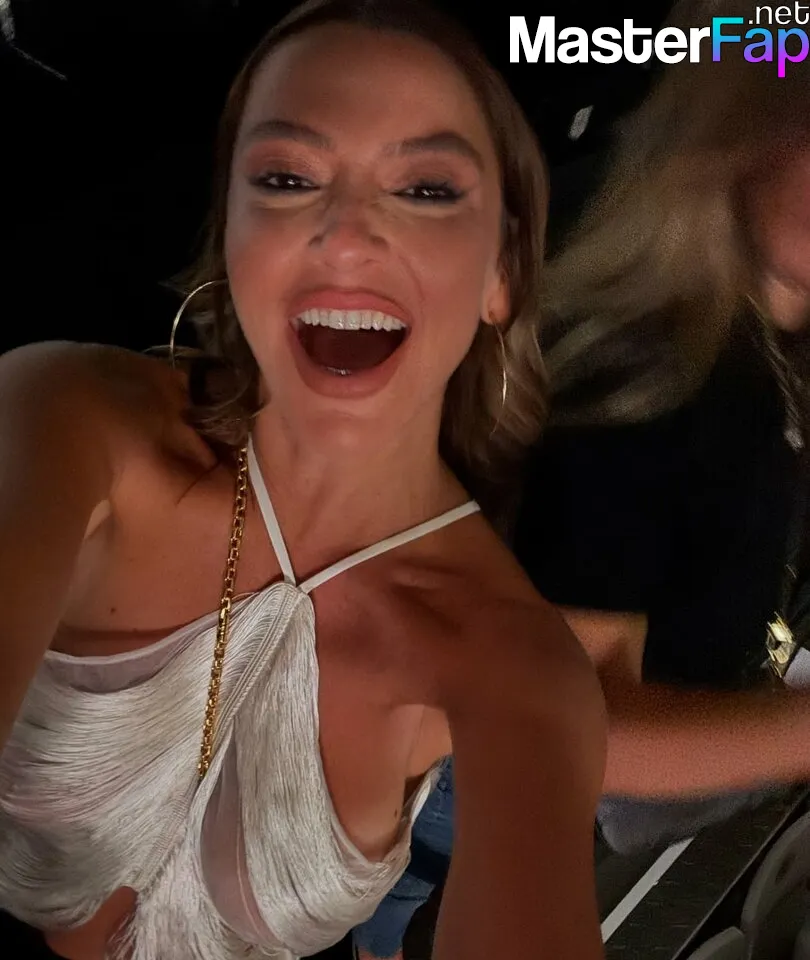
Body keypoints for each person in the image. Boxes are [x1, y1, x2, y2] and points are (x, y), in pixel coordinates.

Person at [0, 2, 608, 959]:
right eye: (287, 178)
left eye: (426, 189)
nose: (348, 235)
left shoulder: (512, 664)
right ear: (232, 235)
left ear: (502, 273)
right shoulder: (67, 420)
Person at [355, 0, 810, 951]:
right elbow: (572, 731)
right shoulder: (653, 377)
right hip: (465, 800)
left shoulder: (760, 323)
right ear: (745, 127)